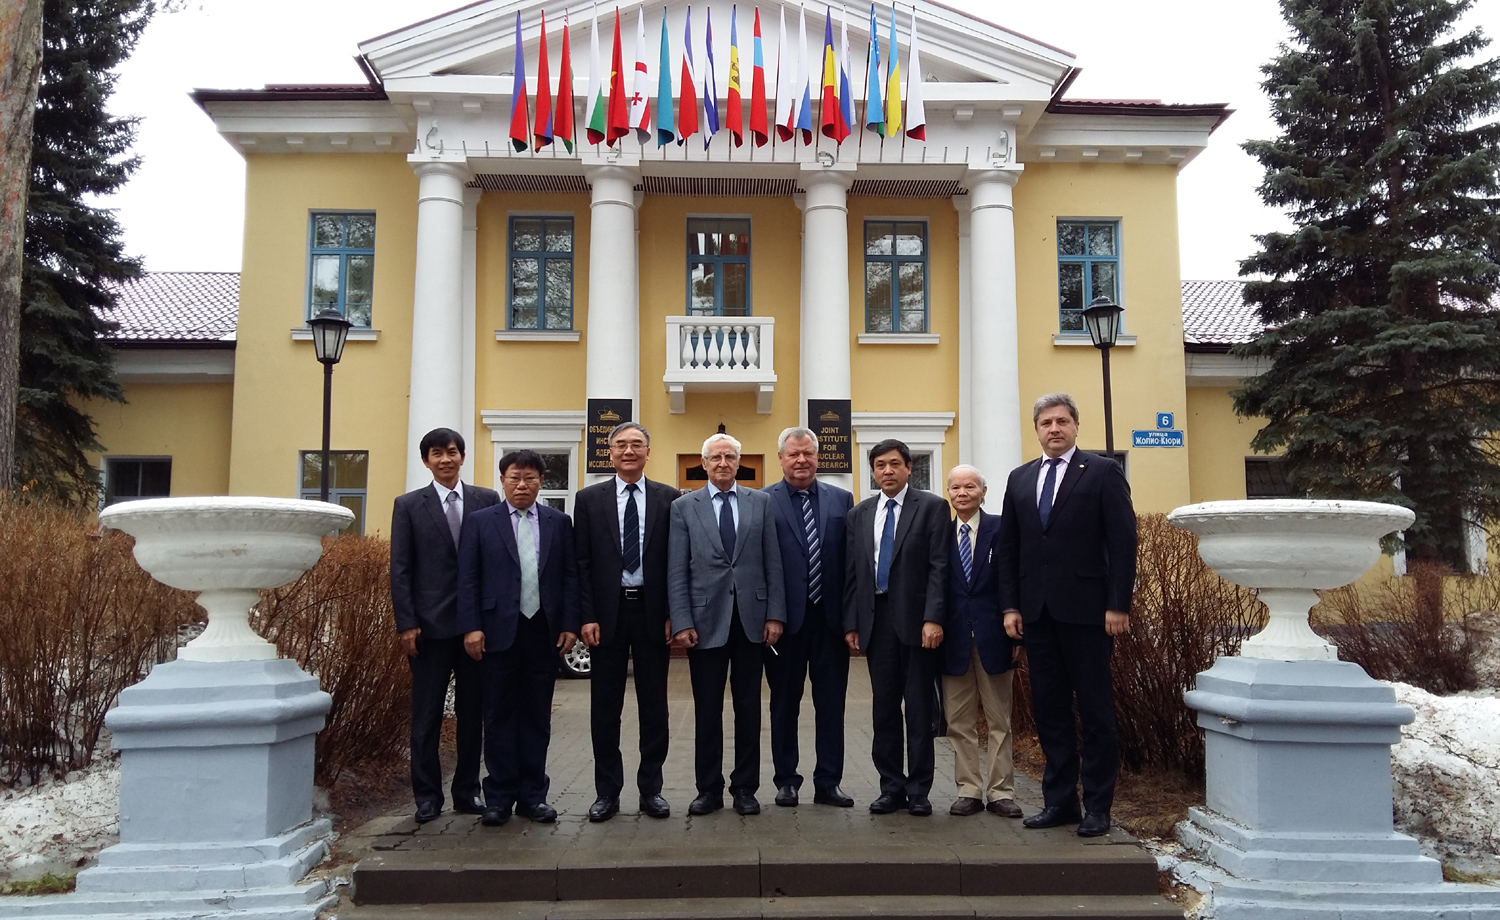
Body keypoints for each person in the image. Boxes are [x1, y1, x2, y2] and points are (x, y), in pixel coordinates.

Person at [997, 393, 1137, 838]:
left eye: (1062, 421)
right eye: (1046, 422)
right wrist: (1011, 606)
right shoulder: (1020, 478)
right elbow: (1009, 548)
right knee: (1050, 711)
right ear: (1036, 429)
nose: (1054, 429)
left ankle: (1097, 807)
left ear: (1076, 426)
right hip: (1037, 615)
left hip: (1089, 614)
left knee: (1095, 712)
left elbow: (1123, 541)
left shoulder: (1102, 472)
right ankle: (1059, 802)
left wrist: (1118, 603)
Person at [457, 449, 580, 827]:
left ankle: (533, 797)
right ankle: (498, 797)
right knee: (497, 716)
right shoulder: (480, 522)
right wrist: (471, 626)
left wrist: (570, 625)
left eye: (530, 478)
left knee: (536, 717)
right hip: (496, 632)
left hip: (543, 631)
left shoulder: (559, 522)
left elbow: (569, 576)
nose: (522, 485)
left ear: (541, 482)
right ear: (502, 480)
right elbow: (468, 577)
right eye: (515, 477)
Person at [667, 432, 786, 816]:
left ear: (739, 463)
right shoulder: (684, 507)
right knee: (707, 709)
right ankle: (708, 789)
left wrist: (775, 614)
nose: (723, 463)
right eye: (715, 457)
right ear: (703, 464)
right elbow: (677, 569)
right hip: (704, 622)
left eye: (730, 457)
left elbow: (773, 562)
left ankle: (745, 788)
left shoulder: (761, 502)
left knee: (749, 708)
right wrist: (681, 620)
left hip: (752, 620)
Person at [389, 428, 501, 824]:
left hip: (475, 628)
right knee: (427, 716)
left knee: (473, 715)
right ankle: (427, 796)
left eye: (452, 452)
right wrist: (406, 623)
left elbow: (495, 561)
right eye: (437, 453)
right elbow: (400, 568)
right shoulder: (408, 505)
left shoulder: (486, 500)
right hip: (428, 629)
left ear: (462, 456)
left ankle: (467, 791)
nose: (445, 459)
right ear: (426, 461)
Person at [573, 422, 680, 822]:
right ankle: (607, 792)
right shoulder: (588, 499)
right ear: (610, 453)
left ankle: (651, 790)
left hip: (652, 613)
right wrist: (586, 616)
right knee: (605, 708)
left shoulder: (669, 498)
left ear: (648, 452)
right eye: (621, 445)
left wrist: (673, 614)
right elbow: (581, 563)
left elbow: (676, 562)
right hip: (607, 615)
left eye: (637, 444)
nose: (629, 451)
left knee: (654, 707)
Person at [843, 439, 948, 816]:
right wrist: (852, 623)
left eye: (894, 464)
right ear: (873, 471)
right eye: (880, 465)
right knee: (884, 708)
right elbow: (853, 573)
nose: (887, 471)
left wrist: (934, 618)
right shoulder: (860, 513)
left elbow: (939, 566)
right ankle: (890, 786)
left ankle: (919, 790)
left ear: (908, 468)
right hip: (876, 620)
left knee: (918, 708)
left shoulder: (932, 507)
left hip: (918, 623)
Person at [762, 427, 855, 809]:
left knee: (831, 705)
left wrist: (851, 621)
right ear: (781, 458)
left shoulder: (841, 498)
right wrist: (770, 614)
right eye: (793, 454)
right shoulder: (763, 501)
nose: (801, 460)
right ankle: (786, 780)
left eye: (808, 453)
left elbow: (850, 562)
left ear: (818, 457)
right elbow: (760, 563)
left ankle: (828, 782)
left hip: (830, 623)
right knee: (784, 704)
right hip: (784, 624)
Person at [940, 464, 1023, 819]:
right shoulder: (941, 534)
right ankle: (969, 790)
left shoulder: (1001, 529)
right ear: (948, 492)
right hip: (952, 640)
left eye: (970, 487)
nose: (962, 493)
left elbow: (1013, 577)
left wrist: (1016, 622)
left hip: (995, 636)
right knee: (958, 721)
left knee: (999, 720)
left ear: (983, 492)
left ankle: (1001, 792)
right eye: (956, 487)